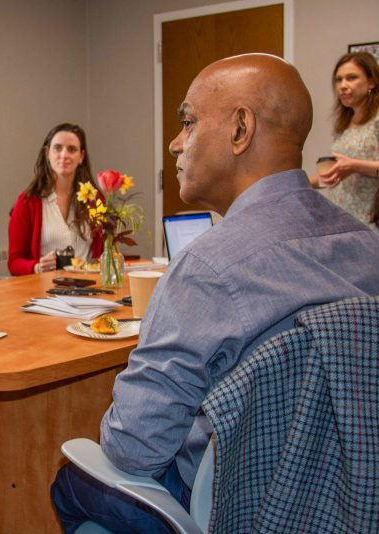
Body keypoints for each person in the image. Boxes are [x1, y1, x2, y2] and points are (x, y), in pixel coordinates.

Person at [51, 54, 379, 533]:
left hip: (236, 503)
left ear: (240, 130)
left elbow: (133, 448)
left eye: (187, 122)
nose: (174, 142)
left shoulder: (207, 268)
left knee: (70, 483)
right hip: (346, 496)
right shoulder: (367, 244)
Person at [7, 123, 103, 276]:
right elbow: (14, 263)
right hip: (45, 292)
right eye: (58, 148)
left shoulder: (95, 200)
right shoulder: (27, 202)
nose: (64, 155)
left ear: (81, 157)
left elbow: (103, 253)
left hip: (90, 289)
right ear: (47, 153)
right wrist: (37, 267)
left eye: (72, 149)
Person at [311, 51, 379, 225]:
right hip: (343, 220)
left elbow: (351, 167)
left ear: (371, 82)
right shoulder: (345, 124)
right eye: (338, 79)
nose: (343, 85)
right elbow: (334, 175)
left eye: (351, 78)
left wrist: (355, 166)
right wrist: (296, 182)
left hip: (371, 222)